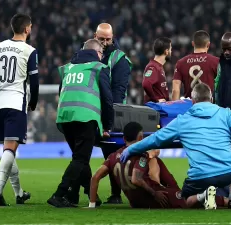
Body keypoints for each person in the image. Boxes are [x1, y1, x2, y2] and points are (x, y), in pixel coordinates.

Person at [120, 83, 231, 210]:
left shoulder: (182, 120)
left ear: (192, 101)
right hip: (228, 172)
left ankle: (202, 196)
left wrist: (131, 148)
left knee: (185, 201)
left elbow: (155, 139)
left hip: (199, 178)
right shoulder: (225, 114)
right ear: (211, 99)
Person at [0, 13, 38, 206]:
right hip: (15, 103)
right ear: (27, 29)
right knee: (10, 150)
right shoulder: (30, 51)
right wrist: (33, 102)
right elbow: (34, 82)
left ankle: (19, 193)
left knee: (8, 150)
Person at [47, 39, 114, 208]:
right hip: (86, 116)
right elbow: (107, 99)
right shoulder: (99, 68)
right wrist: (108, 125)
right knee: (80, 158)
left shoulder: (67, 68)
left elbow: (61, 92)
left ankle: (86, 194)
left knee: (79, 158)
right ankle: (59, 194)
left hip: (65, 117)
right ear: (98, 53)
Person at [88, 122, 187, 209]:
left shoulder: (112, 157)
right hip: (151, 198)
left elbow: (95, 177)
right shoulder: (142, 155)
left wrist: (92, 205)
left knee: (154, 159)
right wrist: (154, 193)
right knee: (189, 200)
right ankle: (181, 193)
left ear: (123, 138)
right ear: (141, 138)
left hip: (135, 203)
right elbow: (136, 179)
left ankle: (175, 190)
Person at [93, 23, 132, 204]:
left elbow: (118, 90)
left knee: (112, 152)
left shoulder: (120, 59)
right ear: (95, 36)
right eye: (102, 39)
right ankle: (114, 192)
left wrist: (110, 116)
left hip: (112, 111)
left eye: (108, 39)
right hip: (94, 109)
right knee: (107, 152)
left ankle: (116, 193)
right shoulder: (91, 53)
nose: (106, 42)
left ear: (113, 36)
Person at [172, 30, 219, 100]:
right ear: (208, 44)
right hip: (209, 106)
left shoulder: (181, 63)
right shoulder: (216, 61)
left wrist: (175, 108)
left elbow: (176, 88)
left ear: (193, 44)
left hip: (189, 107)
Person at [142, 37, 172, 103]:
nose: (171, 51)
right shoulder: (153, 67)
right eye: (170, 49)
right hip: (156, 110)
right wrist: (156, 100)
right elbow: (146, 84)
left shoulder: (158, 66)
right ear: (166, 51)